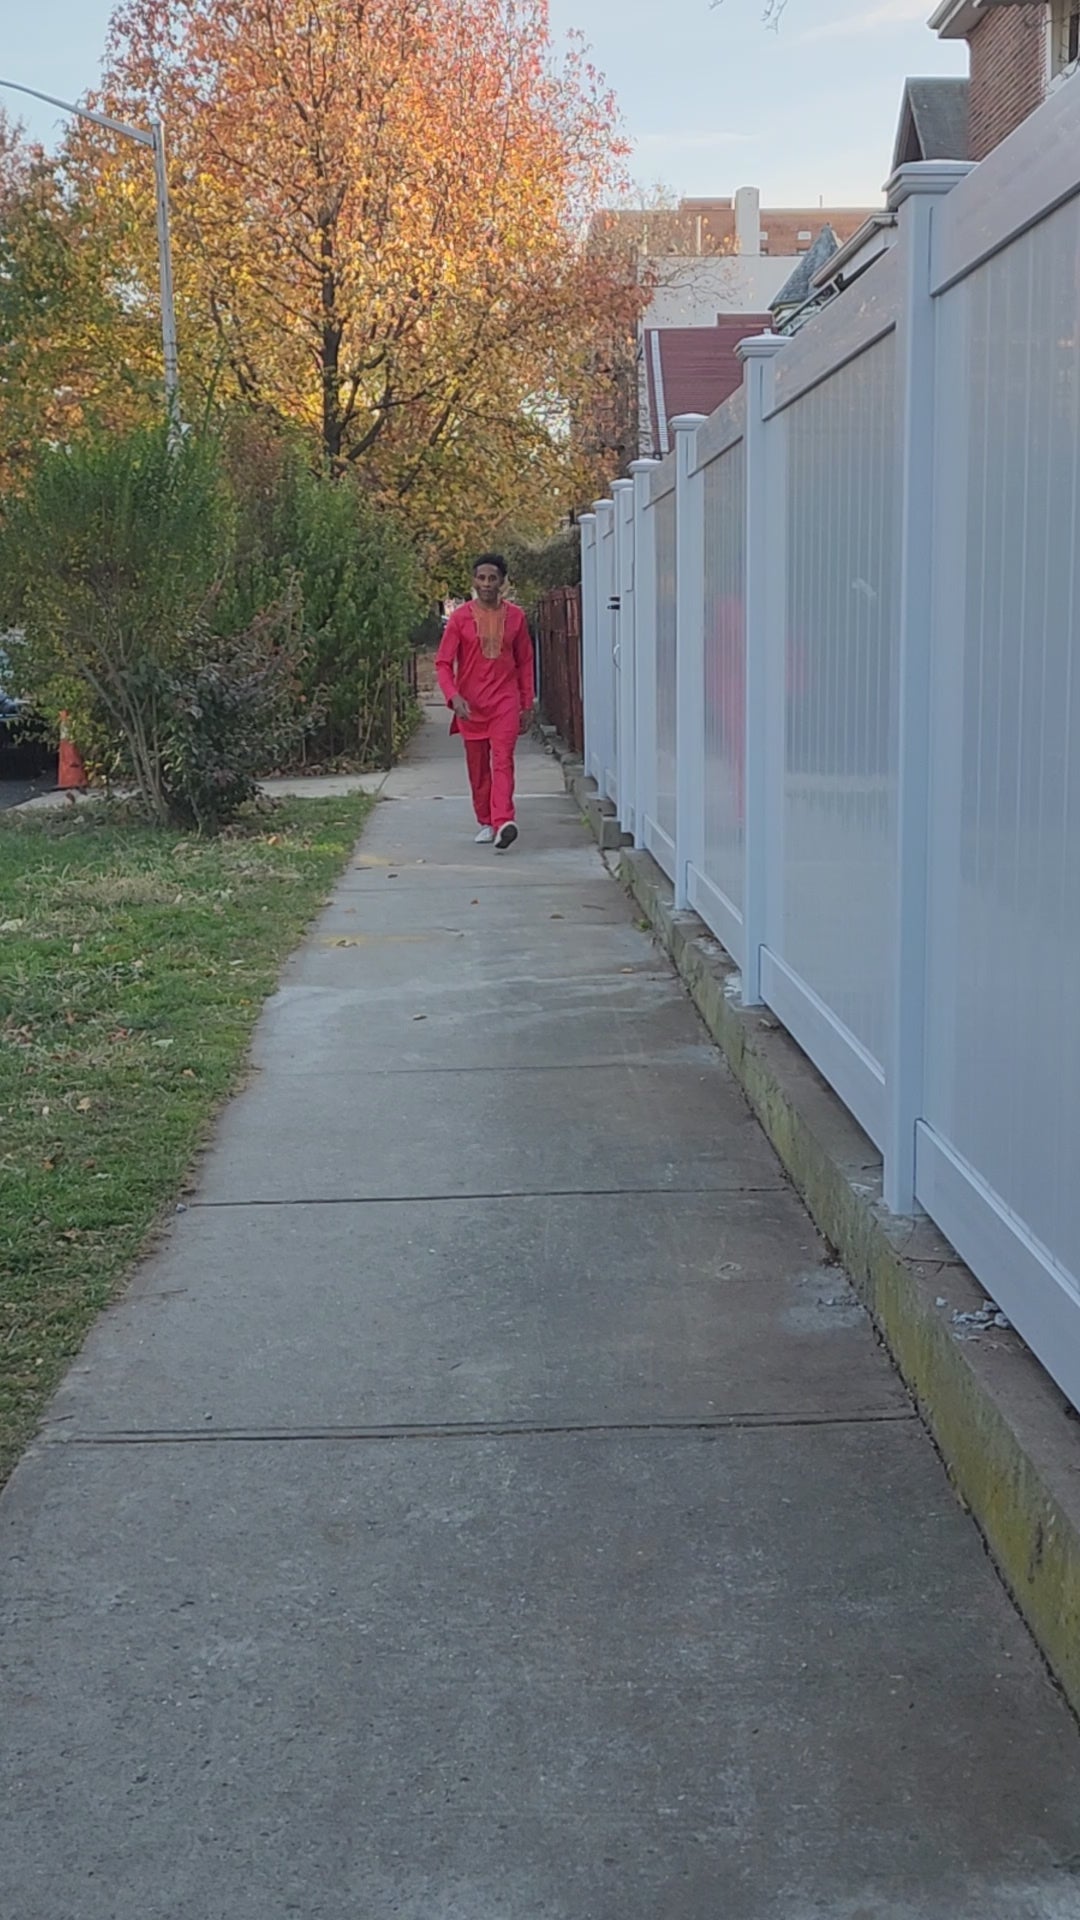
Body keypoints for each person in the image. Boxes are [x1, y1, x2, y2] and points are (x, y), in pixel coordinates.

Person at [435, 553, 535, 851]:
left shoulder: (516, 617)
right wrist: (453, 697)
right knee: (478, 767)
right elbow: (443, 663)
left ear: (503, 582)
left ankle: (504, 821)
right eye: (482, 578)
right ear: (474, 581)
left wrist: (526, 703)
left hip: (505, 701)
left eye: (493, 578)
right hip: (471, 706)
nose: (487, 584)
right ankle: (485, 821)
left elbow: (525, 662)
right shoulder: (460, 618)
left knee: (502, 760)